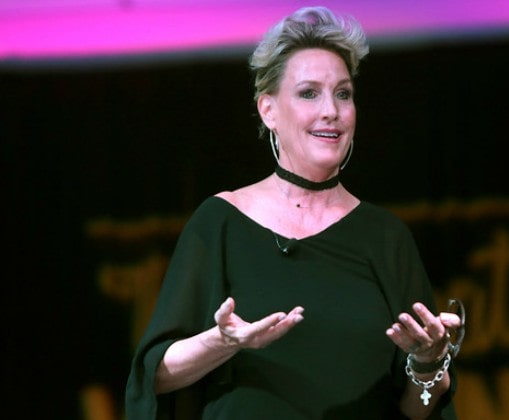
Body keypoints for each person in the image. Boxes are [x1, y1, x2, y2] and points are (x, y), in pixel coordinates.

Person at [125, 6, 465, 419]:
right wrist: (224, 341)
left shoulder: (385, 237)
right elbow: (156, 376)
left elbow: (419, 410)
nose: (331, 111)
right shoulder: (220, 223)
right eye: (309, 93)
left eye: (343, 93)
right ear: (268, 110)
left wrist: (429, 364)